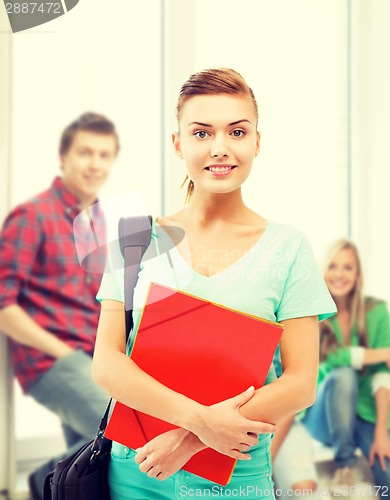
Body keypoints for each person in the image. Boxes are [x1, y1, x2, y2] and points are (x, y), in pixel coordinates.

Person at [92, 68, 336, 500]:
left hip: (235, 478)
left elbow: (300, 383)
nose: (219, 149)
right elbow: (107, 363)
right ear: (178, 143)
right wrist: (199, 421)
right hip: (137, 468)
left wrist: (187, 441)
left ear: (257, 141)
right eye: (201, 133)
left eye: (237, 132)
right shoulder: (134, 239)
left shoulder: (289, 248)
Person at [0, 112, 119, 499]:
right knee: (124, 427)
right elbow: (4, 306)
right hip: (54, 360)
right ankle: (42, 483)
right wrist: (68, 354)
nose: (94, 164)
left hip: (96, 355)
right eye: (85, 152)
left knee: (94, 463)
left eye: (104, 155)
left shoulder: (100, 221)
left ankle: (52, 486)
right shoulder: (31, 216)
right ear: (63, 157)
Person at [301, 239, 390, 496]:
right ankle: (345, 463)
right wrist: (383, 353)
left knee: (385, 469)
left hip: (362, 413)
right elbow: (332, 360)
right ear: (323, 271)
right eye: (333, 266)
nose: (340, 274)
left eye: (348, 267)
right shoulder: (311, 313)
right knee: (343, 376)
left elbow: (383, 375)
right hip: (321, 417)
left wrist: (381, 433)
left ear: (357, 274)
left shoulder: (376, 311)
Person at [271, 348, 318, 496]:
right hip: (218, 426)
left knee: (304, 490)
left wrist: (267, 456)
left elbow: (297, 393)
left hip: (282, 420)